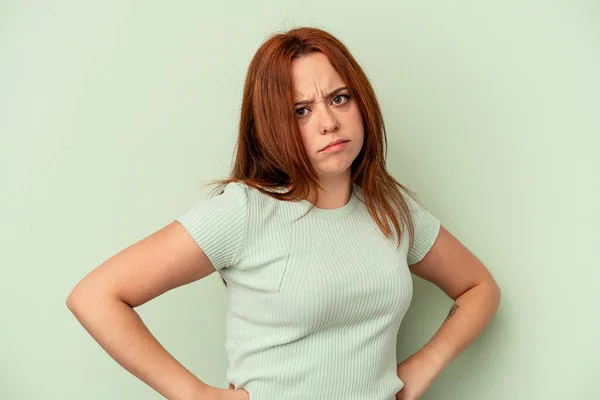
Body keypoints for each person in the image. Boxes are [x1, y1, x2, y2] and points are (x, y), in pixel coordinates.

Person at [66, 26, 501, 400]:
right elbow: (95, 296)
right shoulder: (245, 211)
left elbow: (479, 287)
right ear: (273, 125)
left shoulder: (392, 210)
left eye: (340, 98)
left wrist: (428, 361)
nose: (328, 122)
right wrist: (195, 394)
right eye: (301, 111)